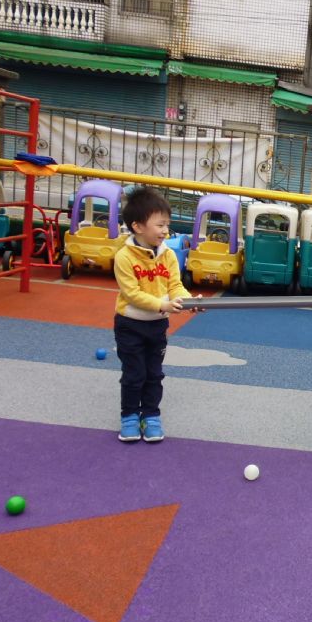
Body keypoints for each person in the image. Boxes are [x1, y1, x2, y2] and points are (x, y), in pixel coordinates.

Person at [113, 186, 197, 444]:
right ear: (138, 226)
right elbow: (131, 294)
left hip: (157, 326)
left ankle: (150, 415)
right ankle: (129, 416)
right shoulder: (124, 257)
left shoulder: (168, 255)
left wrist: (188, 301)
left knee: (154, 374)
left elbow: (175, 286)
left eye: (167, 225)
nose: (165, 231)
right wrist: (163, 305)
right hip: (129, 325)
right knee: (134, 373)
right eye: (160, 225)